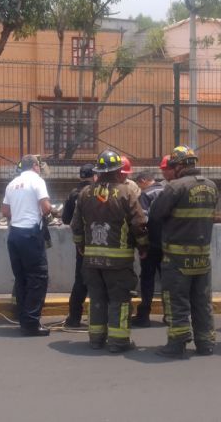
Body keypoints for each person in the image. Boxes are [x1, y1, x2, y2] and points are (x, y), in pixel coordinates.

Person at [71, 150, 148, 353]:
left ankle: (96, 339)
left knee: (97, 299)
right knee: (119, 300)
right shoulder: (126, 192)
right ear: (118, 171)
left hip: (91, 261)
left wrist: (81, 245)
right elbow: (139, 224)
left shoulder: (85, 193)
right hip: (119, 262)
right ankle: (118, 342)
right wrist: (143, 247)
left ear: (98, 171)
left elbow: (76, 225)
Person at [150, 146, 218, 358]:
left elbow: (156, 214)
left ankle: (177, 343)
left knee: (176, 301)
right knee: (202, 301)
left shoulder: (175, 187)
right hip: (202, 257)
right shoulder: (211, 186)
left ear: (179, 165)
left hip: (177, 257)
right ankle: (205, 343)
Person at [1, 154, 52, 336]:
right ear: (35, 166)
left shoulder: (12, 184)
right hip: (30, 234)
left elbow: (5, 211)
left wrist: (20, 213)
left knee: (21, 278)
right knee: (37, 278)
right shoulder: (37, 181)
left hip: (14, 235)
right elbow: (46, 208)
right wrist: (50, 211)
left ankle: (24, 319)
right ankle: (31, 323)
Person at [61, 163, 95, 328]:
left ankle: (74, 318)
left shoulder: (73, 194)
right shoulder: (97, 192)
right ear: (94, 175)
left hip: (81, 244)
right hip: (100, 241)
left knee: (80, 280)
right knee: (99, 281)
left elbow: (66, 219)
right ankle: (98, 318)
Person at [131, 169, 165, 327]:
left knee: (147, 280)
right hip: (168, 244)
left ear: (143, 181)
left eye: (139, 184)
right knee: (168, 281)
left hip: (151, 244)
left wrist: (142, 246)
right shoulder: (167, 191)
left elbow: (142, 221)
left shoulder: (145, 195)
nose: (140, 188)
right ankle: (170, 315)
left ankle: (144, 315)